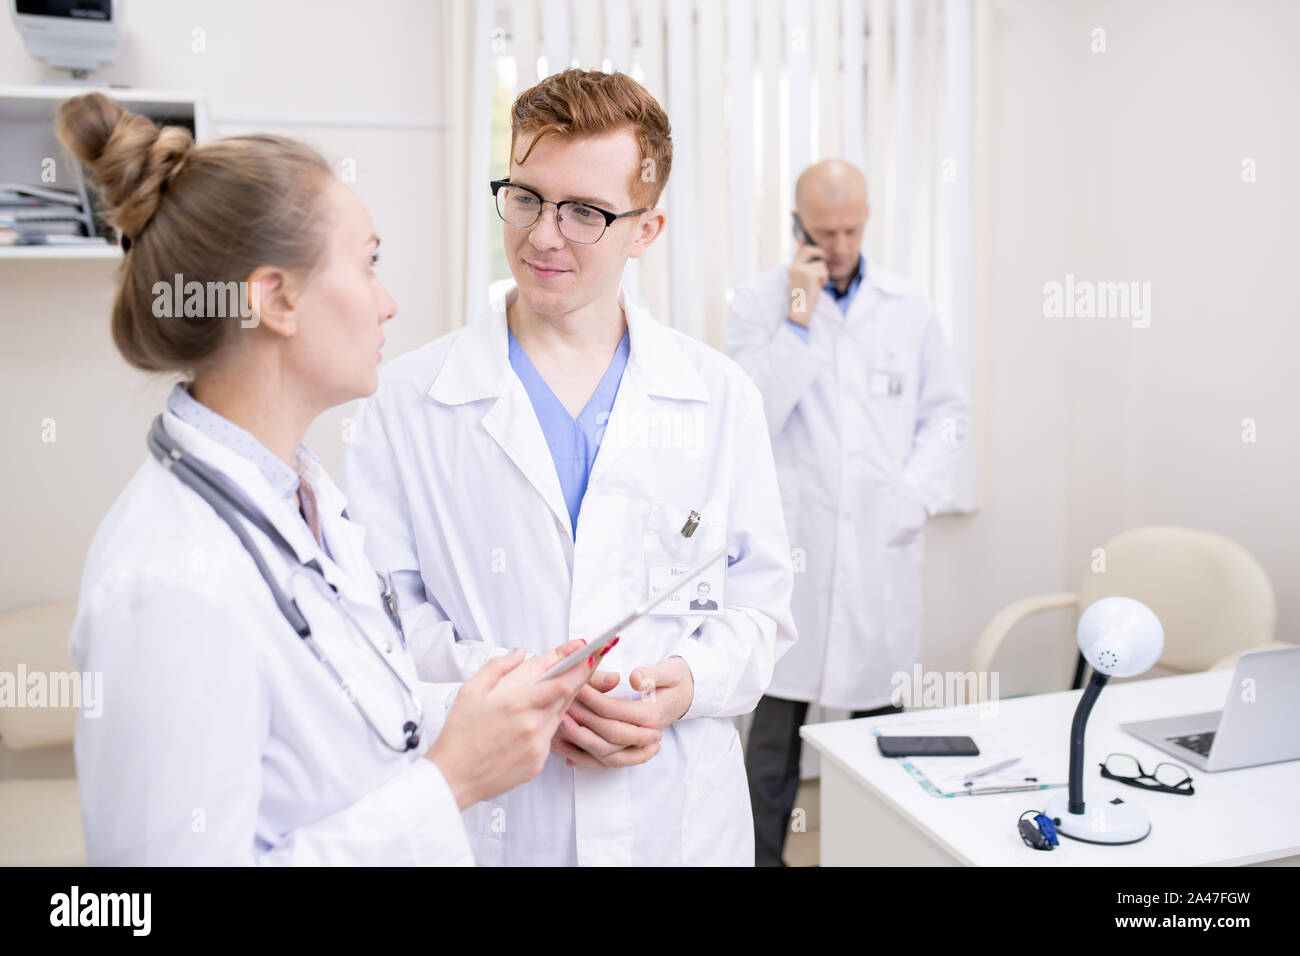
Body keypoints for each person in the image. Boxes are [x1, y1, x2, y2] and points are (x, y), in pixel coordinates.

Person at [59, 93, 599, 865]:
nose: (388, 304)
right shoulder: (170, 581)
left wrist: (496, 703)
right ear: (275, 298)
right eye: (368, 263)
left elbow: (354, 715)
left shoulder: (304, 499)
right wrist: (447, 786)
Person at [341, 69, 796, 866]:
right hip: (498, 820)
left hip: (675, 819)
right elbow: (381, 623)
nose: (544, 234)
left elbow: (760, 608)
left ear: (645, 230)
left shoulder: (719, 397)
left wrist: (680, 686)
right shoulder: (407, 399)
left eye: (585, 212)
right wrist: (517, 688)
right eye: (525, 197)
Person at [726, 158, 969, 866]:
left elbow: (946, 416)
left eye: (851, 229)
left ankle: (884, 856)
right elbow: (751, 418)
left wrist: (913, 498)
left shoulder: (909, 309)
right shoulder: (757, 303)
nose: (838, 244)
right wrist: (799, 322)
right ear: (797, 226)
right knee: (770, 750)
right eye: (824, 231)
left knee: (880, 744)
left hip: (876, 557)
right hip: (793, 556)